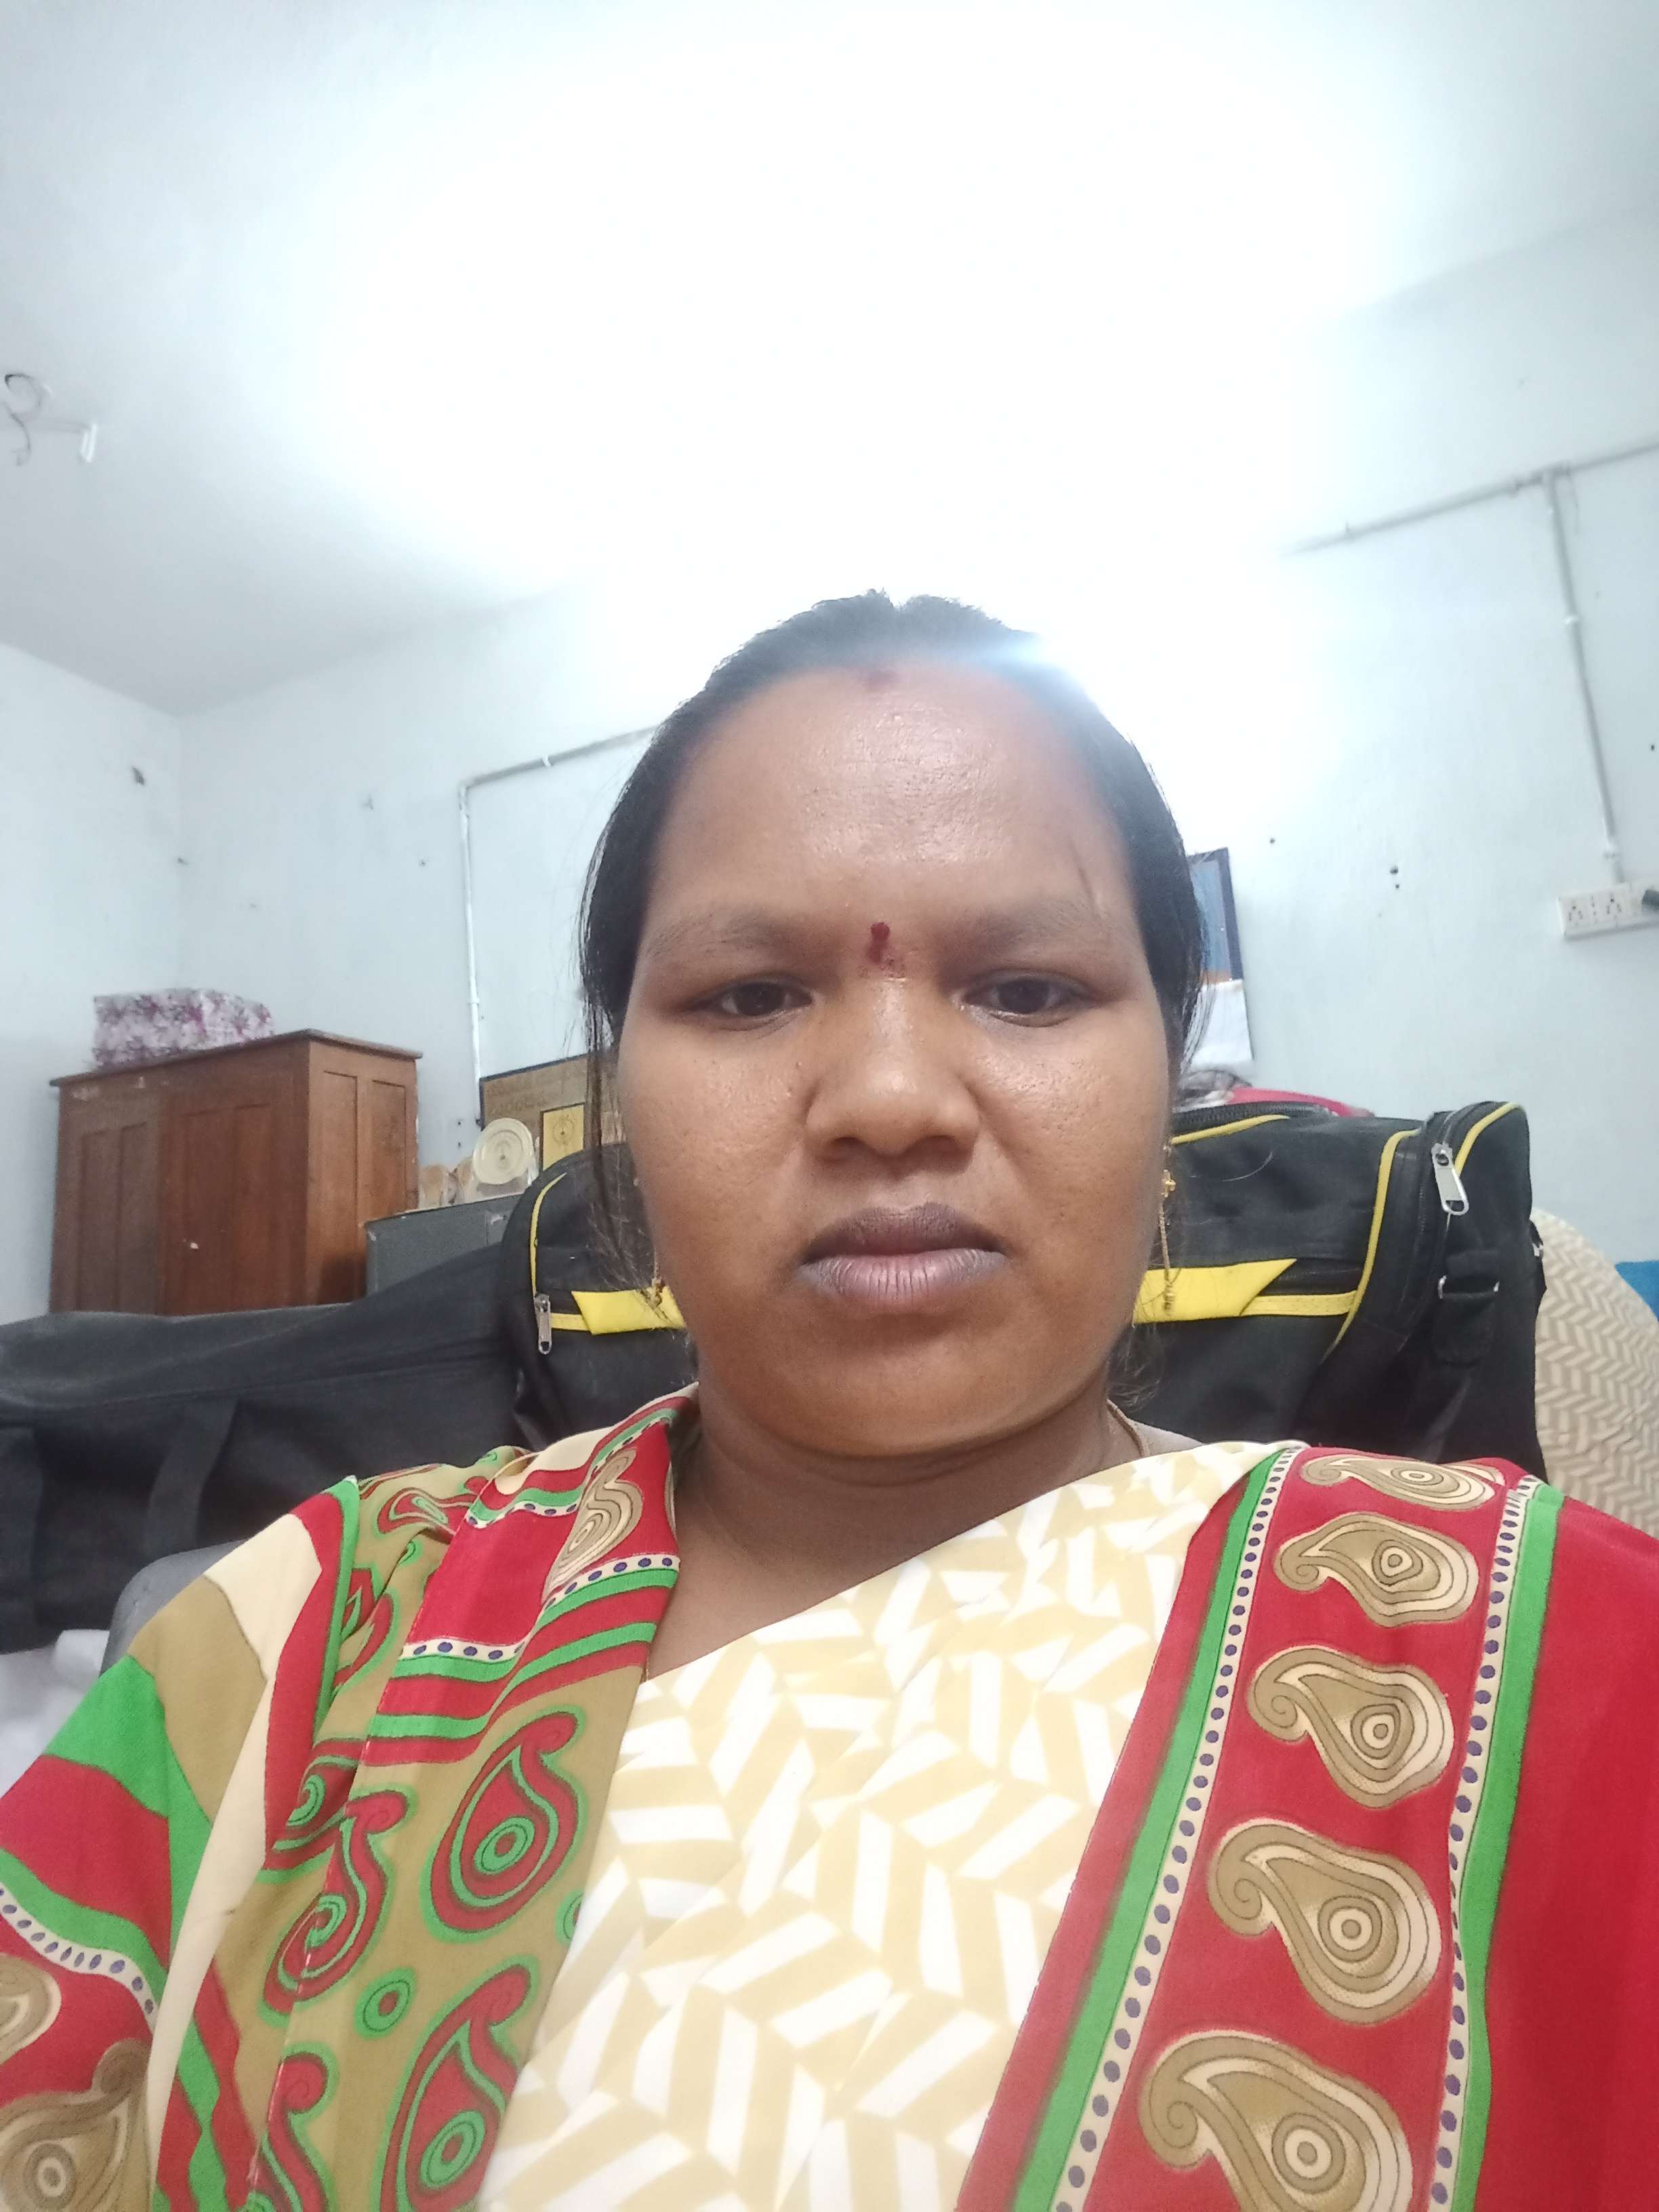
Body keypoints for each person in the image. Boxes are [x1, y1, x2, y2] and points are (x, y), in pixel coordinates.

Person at [2, 593, 1656, 2212]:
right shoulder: (324, 1627)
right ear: (619, 1096)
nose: (887, 1099)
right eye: (747, 996)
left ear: (1174, 1075)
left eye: (1027, 988)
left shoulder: (1521, 1647)